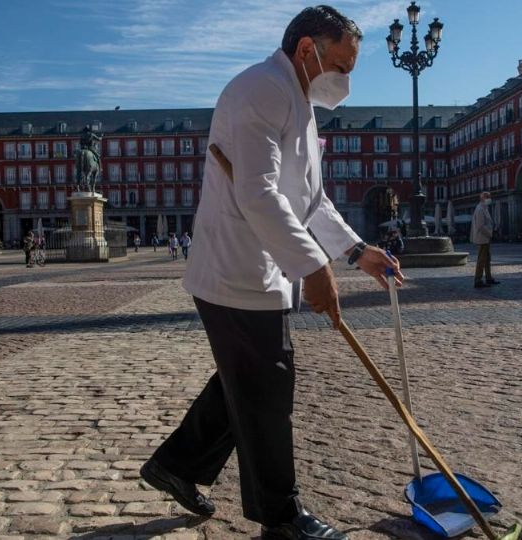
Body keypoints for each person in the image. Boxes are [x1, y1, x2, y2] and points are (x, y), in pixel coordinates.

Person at [140, 7, 402, 540]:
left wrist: (356, 252)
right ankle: (281, 520)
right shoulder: (259, 89)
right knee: (267, 387)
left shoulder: (297, 101)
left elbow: (310, 200)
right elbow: (258, 193)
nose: (346, 81)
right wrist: (313, 266)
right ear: (307, 50)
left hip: (259, 271)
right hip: (237, 271)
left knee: (246, 380)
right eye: (341, 66)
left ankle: (178, 466)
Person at [471, 192, 499, 288]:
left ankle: (488, 277)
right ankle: (477, 280)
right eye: (488, 197)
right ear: (483, 198)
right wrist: (490, 233)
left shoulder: (484, 208)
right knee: (481, 259)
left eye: (489, 197)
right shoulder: (479, 209)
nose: (489, 199)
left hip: (485, 238)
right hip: (482, 238)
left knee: (487, 259)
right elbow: (480, 226)